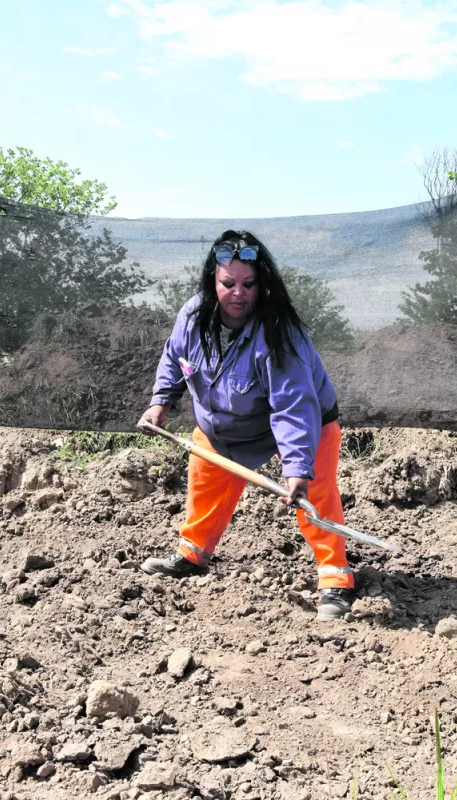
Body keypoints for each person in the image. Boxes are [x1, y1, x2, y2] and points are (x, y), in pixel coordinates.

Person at [138, 229, 355, 620]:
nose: (239, 293)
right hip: (224, 425)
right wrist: (161, 402)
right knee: (206, 479)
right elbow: (175, 357)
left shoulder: (278, 333)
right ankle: (193, 553)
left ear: (262, 284)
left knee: (315, 495)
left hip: (305, 425)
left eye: (249, 284)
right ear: (212, 281)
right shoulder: (193, 314)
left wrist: (296, 469)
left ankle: (335, 578)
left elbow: (293, 406)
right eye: (228, 283)